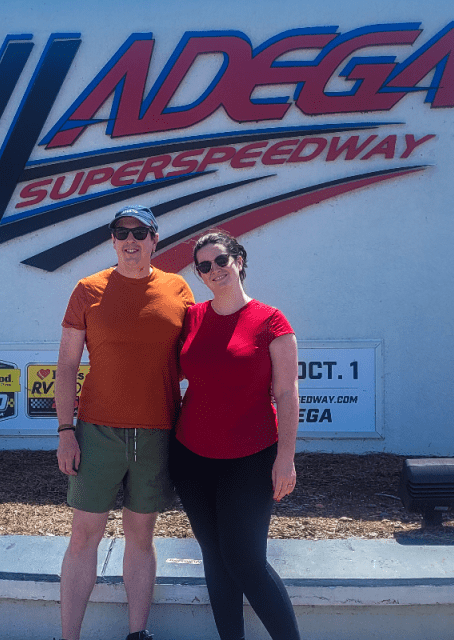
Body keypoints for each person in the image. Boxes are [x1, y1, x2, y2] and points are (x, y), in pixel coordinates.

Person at [55, 205, 195, 640]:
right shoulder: (87, 289)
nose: (130, 240)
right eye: (121, 232)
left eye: (140, 232)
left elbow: (200, 359)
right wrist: (64, 432)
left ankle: (138, 634)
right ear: (112, 240)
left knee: (141, 537)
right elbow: (65, 365)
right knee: (83, 536)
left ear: (155, 239)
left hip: (156, 433)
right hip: (97, 432)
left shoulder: (179, 289)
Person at [169, 230, 301, 640]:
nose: (213, 270)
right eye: (204, 266)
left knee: (244, 560)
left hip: (251, 457)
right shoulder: (191, 317)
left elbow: (287, 392)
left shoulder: (271, 320)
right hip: (191, 456)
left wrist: (286, 458)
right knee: (214, 555)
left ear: (239, 260)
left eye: (221, 260)